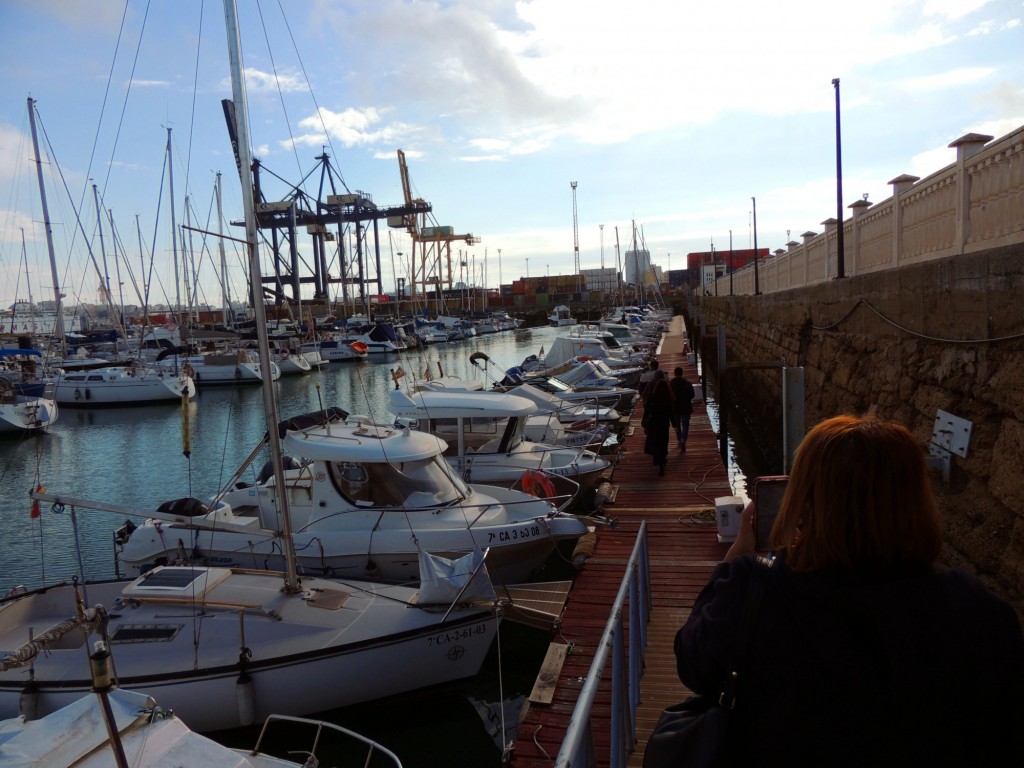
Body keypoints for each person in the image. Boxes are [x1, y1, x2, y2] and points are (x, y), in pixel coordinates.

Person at [674, 414, 1024, 767]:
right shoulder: (976, 611)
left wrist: (731, 565)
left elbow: (693, 665)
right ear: (916, 499)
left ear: (804, 500)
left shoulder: (752, 589)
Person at [642, 370, 674, 477]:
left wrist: (644, 421)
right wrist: (674, 424)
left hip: (654, 423)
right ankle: (663, 459)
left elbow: (647, 410)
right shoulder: (668, 397)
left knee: (656, 441)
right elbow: (671, 411)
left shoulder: (652, 396)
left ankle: (658, 461)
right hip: (664, 423)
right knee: (664, 441)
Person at [668, 366, 695, 450]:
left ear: (675, 373)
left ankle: (679, 440)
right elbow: (692, 395)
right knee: (685, 425)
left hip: (675, 408)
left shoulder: (671, 384)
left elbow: (669, 396)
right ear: (682, 373)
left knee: (677, 426)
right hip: (686, 407)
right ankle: (683, 440)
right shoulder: (687, 383)